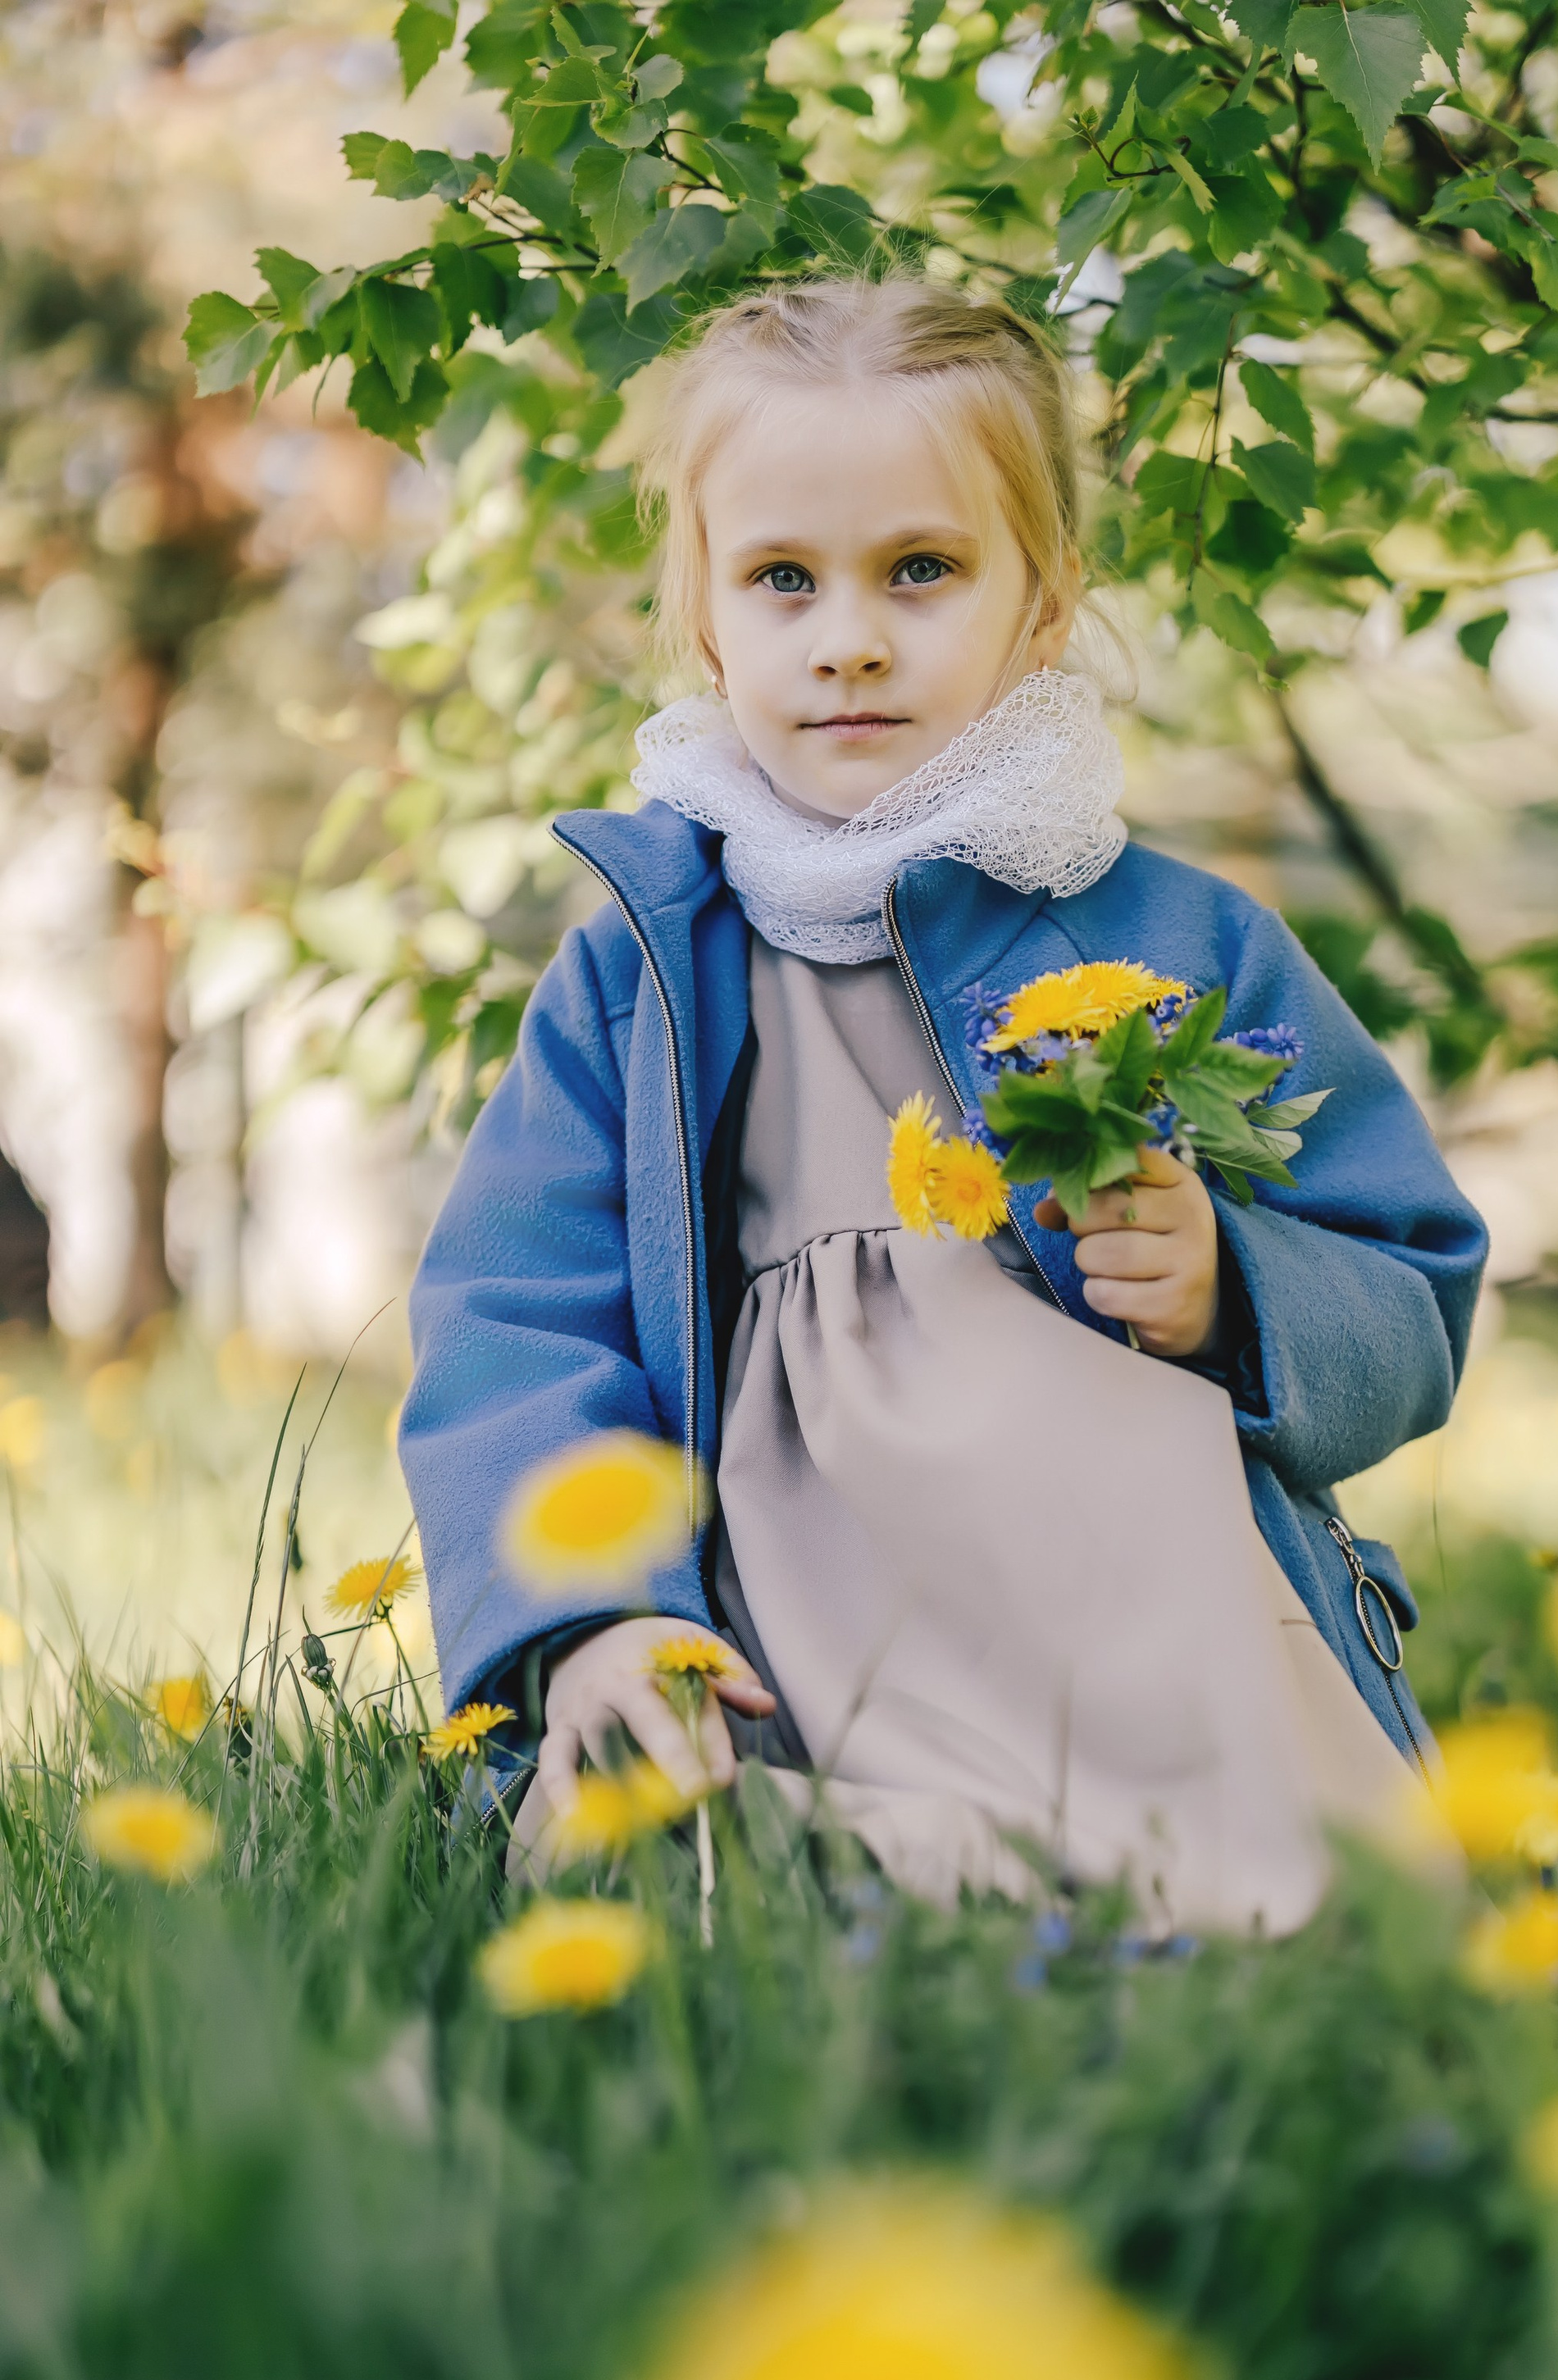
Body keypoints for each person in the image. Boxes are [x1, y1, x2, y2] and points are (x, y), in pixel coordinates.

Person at [400, 276, 1487, 1936]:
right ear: (706, 621)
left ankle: (1192, 1917)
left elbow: (1404, 1270)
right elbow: (515, 1328)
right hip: (791, 1617)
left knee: (1291, 1919)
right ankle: (832, 1889)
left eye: (920, 569)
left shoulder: (1168, 936)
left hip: (1140, 1626)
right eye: (782, 579)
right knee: (711, 1888)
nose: (847, 635)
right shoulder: (640, 964)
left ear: (1040, 605)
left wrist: (1226, 1290)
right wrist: (594, 1617)